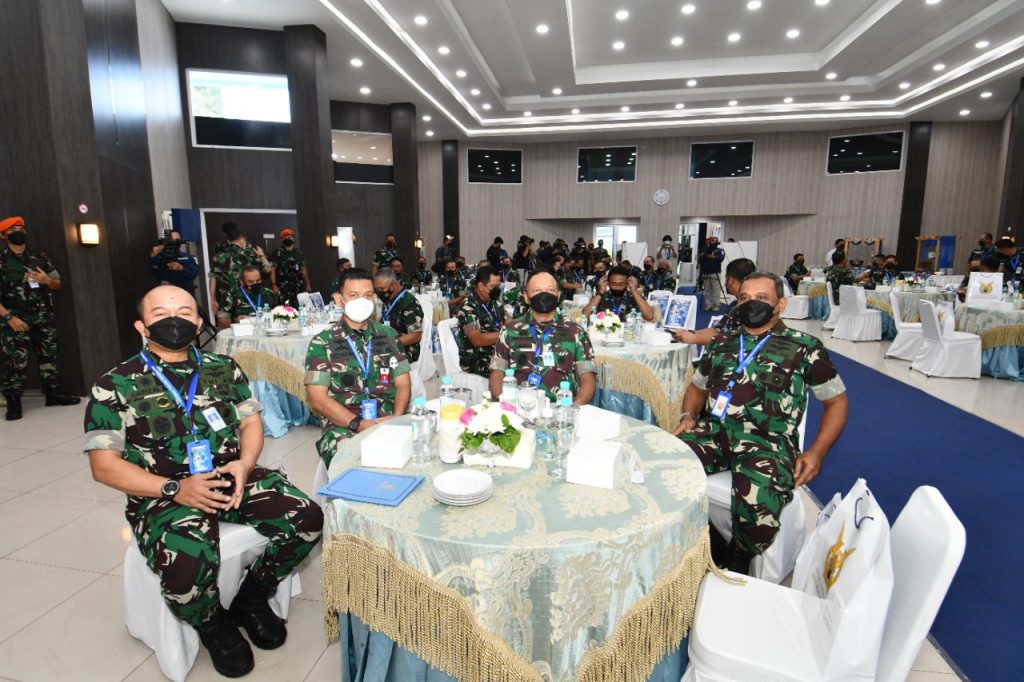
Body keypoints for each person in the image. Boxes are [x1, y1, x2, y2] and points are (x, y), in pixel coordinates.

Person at [84, 285, 323, 677]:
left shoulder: (223, 367)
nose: (173, 320)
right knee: (185, 571)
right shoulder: (114, 384)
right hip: (162, 492)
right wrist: (175, 489)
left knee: (308, 519)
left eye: (183, 312)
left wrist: (245, 465)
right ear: (141, 326)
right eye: (160, 313)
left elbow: (251, 422)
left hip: (230, 475)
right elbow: (103, 465)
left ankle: (252, 596)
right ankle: (214, 624)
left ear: (198, 323)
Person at [674, 272, 848, 574]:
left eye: (761, 298)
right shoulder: (722, 342)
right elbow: (697, 388)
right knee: (664, 464)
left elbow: (837, 402)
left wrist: (816, 453)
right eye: (744, 298)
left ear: (780, 304)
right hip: (714, 434)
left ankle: (738, 555)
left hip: (767, 444)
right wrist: (688, 416)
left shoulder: (804, 347)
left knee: (759, 508)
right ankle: (702, 539)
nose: (750, 304)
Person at [305, 269, 411, 468]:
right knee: (352, 467)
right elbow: (317, 398)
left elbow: (403, 383)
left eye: (367, 295)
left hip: (388, 417)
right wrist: (358, 424)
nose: (361, 301)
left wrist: (397, 418)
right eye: (353, 295)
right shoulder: (322, 342)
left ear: (374, 298)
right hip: (343, 425)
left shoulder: (389, 336)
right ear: (339, 300)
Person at [0, 216, 80, 420]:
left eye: (20, 229)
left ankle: (53, 394)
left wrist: (46, 280)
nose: (18, 233)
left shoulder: (39, 256)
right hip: (14, 320)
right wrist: (9, 317)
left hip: (42, 317)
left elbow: (57, 284)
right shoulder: (2, 260)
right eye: (12, 230)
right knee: (15, 362)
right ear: (3, 236)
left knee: (49, 356)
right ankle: (14, 401)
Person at [490, 269, 596, 403]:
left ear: (558, 295)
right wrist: (505, 405)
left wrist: (573, 408)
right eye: (537, 290)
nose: (544, 294)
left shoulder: (575, 331)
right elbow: (497, 374)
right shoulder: (509, 331)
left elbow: (588, 378)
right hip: (519, 407)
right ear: (526, 297)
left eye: (550, 290)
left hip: (562, 407)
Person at [672, 258, 756, 346]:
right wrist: (690, 333)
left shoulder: (741, 308)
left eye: (726, 277)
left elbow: (727, 338)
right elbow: (718, 330)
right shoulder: (738, 305)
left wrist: (694, 338)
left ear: (731, 280)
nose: (725, 283)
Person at [209, 222, 271, 320]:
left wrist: (213, 298)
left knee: (225, 325)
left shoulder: (218, 256)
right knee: (246, 324)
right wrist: (262, 255)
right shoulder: (249, 254)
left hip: (225, 300)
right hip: (244, 300)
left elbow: (213, 278)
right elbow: (267, 269)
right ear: (242, 240)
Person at [455, 266, 503, 378]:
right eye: (493, 286)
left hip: (496, 353)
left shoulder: (492, 302)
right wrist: (506, 334)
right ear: (481, 286)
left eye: (498, 286)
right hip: (478, 360)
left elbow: (508, 322)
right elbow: (477, 340)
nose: (497, 290)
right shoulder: (467, 307)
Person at [373, 267, 423, 364]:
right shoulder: (389, 299)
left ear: (393, 285)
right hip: (386, 342)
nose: (379, 292)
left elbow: (416, 335)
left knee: (372, 362)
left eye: (381, 289)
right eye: (377, 289)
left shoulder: (409, 303)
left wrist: (390, 343)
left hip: (405, 349)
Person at [583, 266, 655, 321]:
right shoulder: (601, 297)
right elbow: (585, 316)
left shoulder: (634, 296)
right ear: (608, 283)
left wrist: (634, 291)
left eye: (621, 284)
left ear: (627, 283)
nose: (617, 288)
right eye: (614, 284)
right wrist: (601, 292)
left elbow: (649, 316)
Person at [149, 230, 199, 295]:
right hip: (165, 294)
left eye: (177, 240)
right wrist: (153, 257)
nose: (175, 242)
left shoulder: (189, 257)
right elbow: (152, 272)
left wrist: (181, 268)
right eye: (172, 240)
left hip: (185, 293)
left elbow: (193, 274)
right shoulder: (160, 257)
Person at [269, 228, 311, 306]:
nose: (287, 239)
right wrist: (273, 285)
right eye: (285, 237)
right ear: (282, 240)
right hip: (283, 287)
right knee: (284, 308)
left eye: (289, 237)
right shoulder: (277, 253)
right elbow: (273, 270)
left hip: (298, 286)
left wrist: (308, 284)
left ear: (293, 238)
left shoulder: (299, 252)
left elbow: (303, 269)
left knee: (300, 307)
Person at [698, 236, 726, 311]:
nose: (710, 243)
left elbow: (721, 258)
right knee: (707, 290)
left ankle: (716, 305)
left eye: (712, 242)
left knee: (716, 289)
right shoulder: (705, 251)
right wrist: (703, 255)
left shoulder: (720, 250)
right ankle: (709, 304)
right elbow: (700, 261)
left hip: (715, 272)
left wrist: (712, 257)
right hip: (706, 272)